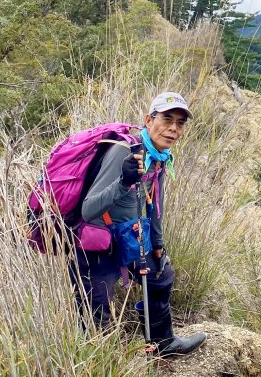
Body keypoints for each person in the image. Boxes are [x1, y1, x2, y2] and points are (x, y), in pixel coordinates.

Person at [74, 91, 207, 357]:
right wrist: (123, 182)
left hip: (129, 236)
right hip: (95, 245)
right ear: (149, 120)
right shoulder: (123, 153)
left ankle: (163, 343)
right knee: (97, 322)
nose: (173, 128)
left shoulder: (159, 157)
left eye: (180, 123)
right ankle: (103, 361)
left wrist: (158, 245)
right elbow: (88, 210)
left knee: (162, 275)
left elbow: (155, 206)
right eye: (167, 119)